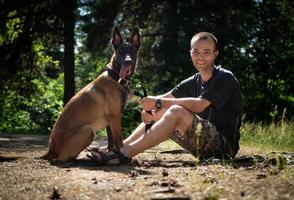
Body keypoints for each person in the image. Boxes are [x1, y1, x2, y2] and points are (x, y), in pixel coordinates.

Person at [88, 31, 244, 165]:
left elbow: (199, 105)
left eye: (207, 52)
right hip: (200, 145)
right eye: (196, 52)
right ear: (190, 53)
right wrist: (149, 108)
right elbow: (162, 100)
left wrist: (156, 102)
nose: (200, 57)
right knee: (161, 109)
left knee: (175, 110)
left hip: (223, 149)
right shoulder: (193, 81)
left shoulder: (225, 78)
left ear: (215, 54)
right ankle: (119, 148)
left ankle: (125, 154)